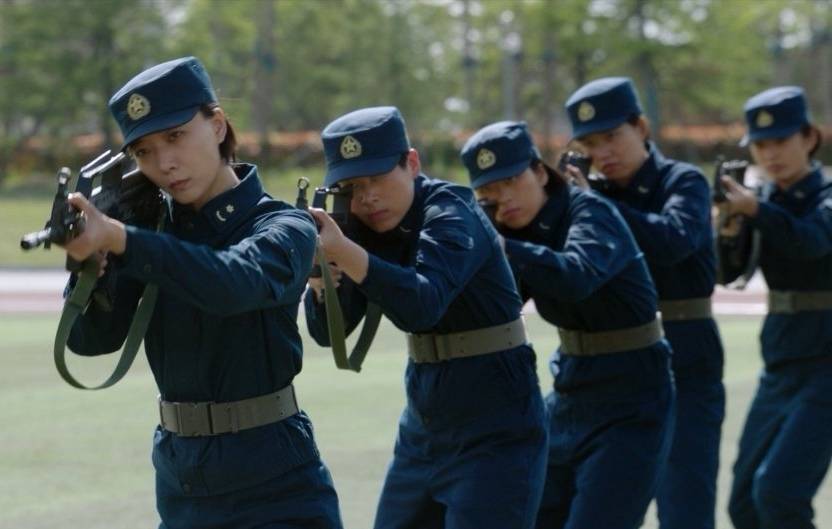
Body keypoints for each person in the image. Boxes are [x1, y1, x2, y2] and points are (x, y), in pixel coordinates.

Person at [61, 56, 342, 529]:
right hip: (180, 480)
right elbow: (92, 341)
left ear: (216, 126)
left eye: (175, 136)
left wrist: (122, 240)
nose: (164, 162)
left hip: (274, 485)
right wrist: (94, 267)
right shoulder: (149, 233)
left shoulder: (283, 225)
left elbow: (232, 282)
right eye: (143, 152)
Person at [304, 106, 547, 529]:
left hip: (496, 425)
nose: (367, 197)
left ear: (412, 163)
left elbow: (423, 303)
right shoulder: (359, 227)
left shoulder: (451, 208)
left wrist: (344, 251)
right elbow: (329, 334)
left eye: (378, 177)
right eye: (351, 187)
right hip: (423, 425)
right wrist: (322, 279)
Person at [460, 120, 675, 529]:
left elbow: (576, 275)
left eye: (510, 181)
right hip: (569, 389)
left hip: (634, 396)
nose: (502, 199)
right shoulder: (509, 234)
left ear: (540, 172)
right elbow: (492, 309)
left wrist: (502, 247)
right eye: (487, 192)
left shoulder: (590, 210)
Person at [564, 76, 725, 529]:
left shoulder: (683, 180)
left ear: (642, 127)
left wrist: (596, 206)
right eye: (591, 143)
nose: (603, 152)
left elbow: (674, 241)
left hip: (685, 355)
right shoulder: (587, 195)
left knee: (684, 503)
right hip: (612, 368)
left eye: (613, 136)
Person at [719, 86, 832, 529]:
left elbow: (812, 242)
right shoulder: (762, 200)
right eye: (761, 145)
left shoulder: (825, 195)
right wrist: (729, 229)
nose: (770, 154)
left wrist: (756, 212)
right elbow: (727, 273)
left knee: (779, 493)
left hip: (826, 363)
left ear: (809, 138)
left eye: (780, 141)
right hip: (782, 360)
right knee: (744, 503)